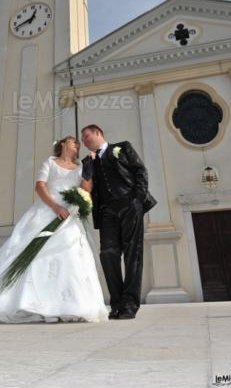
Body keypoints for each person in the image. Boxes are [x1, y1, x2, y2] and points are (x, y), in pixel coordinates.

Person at [0, 136, 108, 324]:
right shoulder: (50, 162)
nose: (77, 144)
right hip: (49, 210)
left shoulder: (80, 167)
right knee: (33, 254)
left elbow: (86, 189)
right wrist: (55, 207)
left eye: (78, 143)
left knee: (71, 253)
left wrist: (89, 171)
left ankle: (71, 305)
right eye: (72, 141)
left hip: (70, 215)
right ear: (62, 145)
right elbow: (40, 186)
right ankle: (26, 303)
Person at [81, 125, 157, 320]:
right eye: (82, 139)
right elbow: (87, 184)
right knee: (107, 254)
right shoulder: (87, 161)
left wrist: (137, 200)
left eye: (87, 136)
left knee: (133, 254)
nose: (84, 141)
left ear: (98, 133)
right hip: (107, 212)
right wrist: (89, 164)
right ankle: (117, 304)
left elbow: (140, 171)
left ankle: (130, 304)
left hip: (130, 205)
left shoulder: (123, 148)